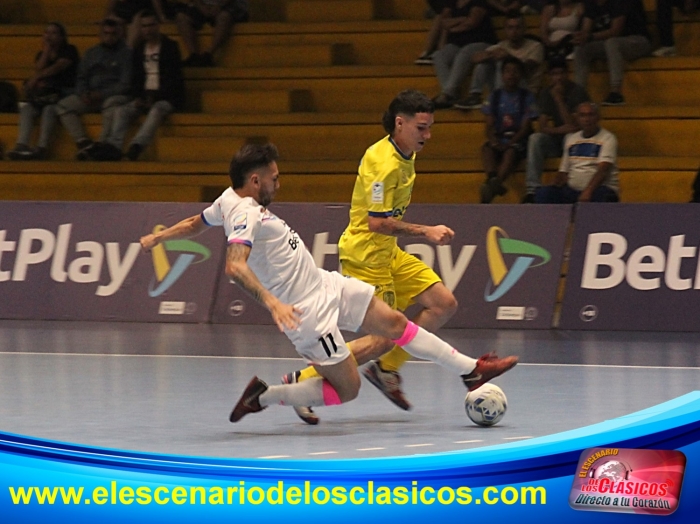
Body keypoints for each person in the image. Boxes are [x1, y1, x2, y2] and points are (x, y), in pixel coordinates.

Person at [138, 143, 518, 424]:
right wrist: (273, 304)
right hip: (306, 314)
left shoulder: (226, 199)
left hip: (324, 284)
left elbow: (195, 223)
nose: (278, 184)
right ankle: (264, 396)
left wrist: (158, 238)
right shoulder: (244, 214)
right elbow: (235, 267)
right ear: (255, 181)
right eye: (274, 179)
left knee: (396, 324)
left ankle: (471, 370)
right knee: (347, 390)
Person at [278, 90, 465, 425]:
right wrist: (426, 231)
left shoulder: (406, 152)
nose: (427, 135)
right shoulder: (383, 163)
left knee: (443, 304)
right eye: (421, 128)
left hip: (387, 252)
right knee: (384, 337)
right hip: (366, 254)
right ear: (400, 123)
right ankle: (301, 380)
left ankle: (385, 370)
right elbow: (376, 223)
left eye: (430, 128)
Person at [93, 10, 184, 161]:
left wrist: (154, 97)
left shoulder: (170, 47)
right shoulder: (139, 49)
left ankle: (137, 146)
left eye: (151, 25)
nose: (147, 30)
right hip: (145, 95)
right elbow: (136, 78)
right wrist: (139, 97)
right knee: (121, 111)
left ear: (158, 25)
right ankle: (114, 146)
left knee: (156, 110)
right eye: (144, 26)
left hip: (167, 97)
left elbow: (174, 79)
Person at [54, 19, 132, 160]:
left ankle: (102, 145)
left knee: (111, 104)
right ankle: (83, 142)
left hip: (112, 96)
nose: (109, 37)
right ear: (100, 34)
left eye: (113, 34)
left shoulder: (126, 54)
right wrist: (83, 93)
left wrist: (101, 94)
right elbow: (81, 77)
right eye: (106, 33)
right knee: (63, 106)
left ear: (119, 34)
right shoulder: (91, 53)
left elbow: (125, 84)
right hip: (90, 95)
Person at [6, 22, 79, 161]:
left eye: (54, 33)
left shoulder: (69, 50)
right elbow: (39, 67)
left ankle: (42, 147)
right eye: (47, 32)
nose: (49, 36)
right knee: (26, 108)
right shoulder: (41, 54)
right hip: (45, 95)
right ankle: (22, 145)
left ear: (62, 37)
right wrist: (46, 50)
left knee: (49, 109)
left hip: (63, 93)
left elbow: (58, 67)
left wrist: (35, 78)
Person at [522, 55, 589, 202]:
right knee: (535, 138)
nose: (558, 78)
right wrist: (561, 130)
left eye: (561, 73)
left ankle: (568, 184)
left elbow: (575, 127)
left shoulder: (577, 91)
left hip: (577, 143)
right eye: (554, 74)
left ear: (567, 73)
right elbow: (543, 127)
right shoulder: (546, 93)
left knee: (570, 137)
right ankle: (532, 190)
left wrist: (559, 100)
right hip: (556, 139)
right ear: (550, 76)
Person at [479, 56, 538, 203]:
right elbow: (489, 125)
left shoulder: (527, 97)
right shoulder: (494, 96)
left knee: (510, 152)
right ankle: (493, 180)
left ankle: (492, 187)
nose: (511, 75)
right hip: (499, 138)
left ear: (521, 75)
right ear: (502, 74)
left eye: (515, 71)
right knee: (486, 148)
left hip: (518, 140)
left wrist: (510, 142)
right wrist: (494, 141)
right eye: (508, 71)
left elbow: (525, 127)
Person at [454, 12, 544, 110]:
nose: (514, 31)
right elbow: (474, 58)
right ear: (505, 29)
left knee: (502, 62)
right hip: (505, 86)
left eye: (517, 27)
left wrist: (507, 56)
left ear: (524, 29)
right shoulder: (502, 45)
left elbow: (526, 68)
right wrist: (488, 55)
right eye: (510, 28)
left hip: (525, 90)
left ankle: (500, 98)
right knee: (485, 63)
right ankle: (475, 96)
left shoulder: (535, 46)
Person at [534, 101, 619, 203]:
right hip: (572, 191)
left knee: (603, 197)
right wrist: (555, 183)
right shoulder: (571, 138)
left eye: (590, 115)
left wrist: (588, 191)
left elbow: (603, 170)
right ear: (577, 118)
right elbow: (564, 171)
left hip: (599, 189)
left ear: (598, 117)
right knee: (543, 193)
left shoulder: (608, 138)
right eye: (582, 116)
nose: (587, 119)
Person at [572, 0, 651, 106]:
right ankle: (579, 94)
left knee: (612, 43)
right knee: (582, 48)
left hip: (637, 40)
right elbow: (586, 28)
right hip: (610, 43)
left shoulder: (620, 2)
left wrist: (590, 36)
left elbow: (615, 31)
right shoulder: (591, 3)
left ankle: (616, 93)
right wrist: (580, 36)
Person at [431, 0, 498, 109]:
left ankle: (447, 93)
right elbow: (444, 23)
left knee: (465, 52)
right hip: (458, 43)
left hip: (481, 41)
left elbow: (472, 22)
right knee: (439, 55)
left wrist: (453, 26)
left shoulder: (478, 2)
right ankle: (451, 92)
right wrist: (462, 19)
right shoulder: (452, 3)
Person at [175, 0, 250, 67]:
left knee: (224, 17)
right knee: (182, 17)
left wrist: (219, 5)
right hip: (204, 5)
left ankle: (209, 54)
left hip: (231, 4)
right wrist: (201, 6)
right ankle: (194, 55)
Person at [105, 0, 171, 49]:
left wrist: (161, 16)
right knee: (111, 21)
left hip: (142, 8)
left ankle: (128, 51)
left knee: (136, 24)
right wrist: (107, 16)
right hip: (126, 9)